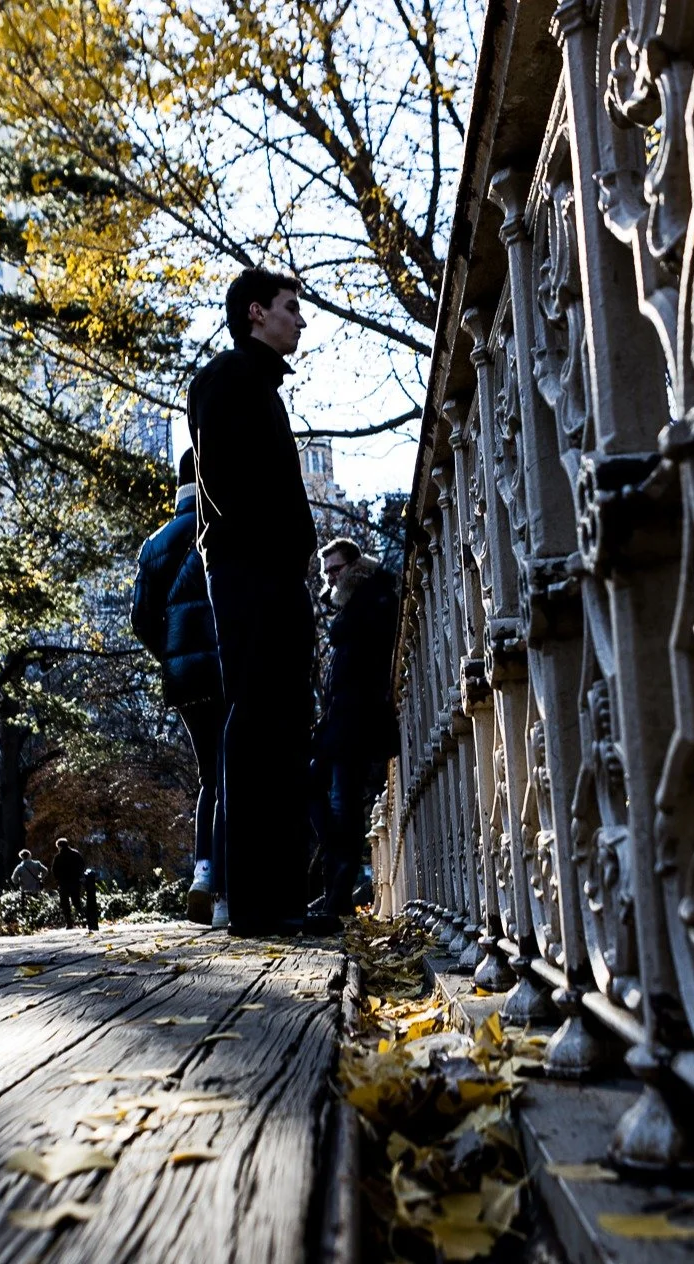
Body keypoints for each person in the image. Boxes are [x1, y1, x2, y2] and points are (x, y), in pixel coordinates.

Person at [187, 266, 336, 937]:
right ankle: (255, 904)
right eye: (290, 307)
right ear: (255, 312)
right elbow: (219, 482)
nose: (299, 320)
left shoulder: (256, 384)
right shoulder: (227, 380)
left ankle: (275, 899)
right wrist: (273, 550)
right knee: (258, 726)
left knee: (279, 728)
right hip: (254, 575)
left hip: (270, 572)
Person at [131, 449, 227, 929]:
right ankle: (228, 889)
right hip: (228, 669)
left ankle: (202, 871)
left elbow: (141, 620)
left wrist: (171, 655)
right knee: (231, 773)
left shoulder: (154, 545)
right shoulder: (224, 520)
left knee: (209, 773)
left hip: (185, 681)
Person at [313, 538, 400, 914]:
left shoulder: (373, 598)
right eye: (327, 571)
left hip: (358, 719)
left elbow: (370, 662)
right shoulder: (355, 602)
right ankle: (336, 887)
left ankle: (338, 893)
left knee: (342, 805)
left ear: (355, 565)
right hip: (342, 719)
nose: (331, 577)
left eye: (337, 568)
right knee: (326, 796)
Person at [51, 837, 86, 929]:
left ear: (59, 846)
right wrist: (79, 875)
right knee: (76, 901)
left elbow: (54, 870)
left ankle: (69, 923)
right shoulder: (75, 854)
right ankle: (83, 920)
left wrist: (58, 879)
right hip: (75, 881)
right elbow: (82, 865)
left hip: (64, 883)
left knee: (65, 903)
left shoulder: (58, 857)